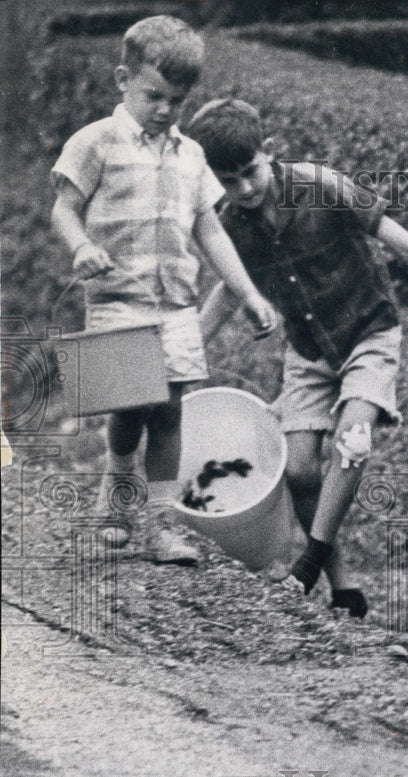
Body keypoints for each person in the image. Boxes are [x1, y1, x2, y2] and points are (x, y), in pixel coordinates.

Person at [189, 98, 408, 617]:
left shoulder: (322, 186)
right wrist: (185, 351)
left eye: (250, 173)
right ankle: (344, 586)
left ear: (269, 152)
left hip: (368, 335)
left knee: (353, 442)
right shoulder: (230, 224)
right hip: (308, 354)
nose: (243, 189)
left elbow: (406, 243)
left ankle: (306, 565)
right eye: (228, 181)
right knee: (300, 470)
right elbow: (226, 291)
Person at [49, 16, 278, 565]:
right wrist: (81, 246)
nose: (164, 109)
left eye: (176, 100)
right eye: (153, 96)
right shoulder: (95, 143)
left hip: (175, 300)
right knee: (130, 403)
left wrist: (247, 293)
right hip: (116, 297)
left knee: (171, 408)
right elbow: (64, 208)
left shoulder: (190, 155)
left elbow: (209, 229)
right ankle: (116, 485)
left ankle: (157, 523)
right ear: (122, 78)